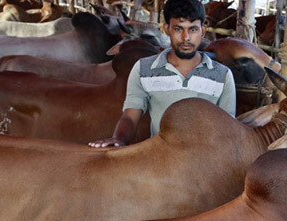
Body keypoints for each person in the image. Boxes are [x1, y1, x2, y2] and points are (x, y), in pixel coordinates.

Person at [89, 0, 236, 148]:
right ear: (167, 29)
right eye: (178, 29)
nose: (186, 37)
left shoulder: (222, 75)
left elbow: (227, 130)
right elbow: (130, 117)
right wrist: (119, 139)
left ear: (203, 31)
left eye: (192, 29)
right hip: (160, 161)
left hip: (205, 161)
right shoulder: (144, 69)